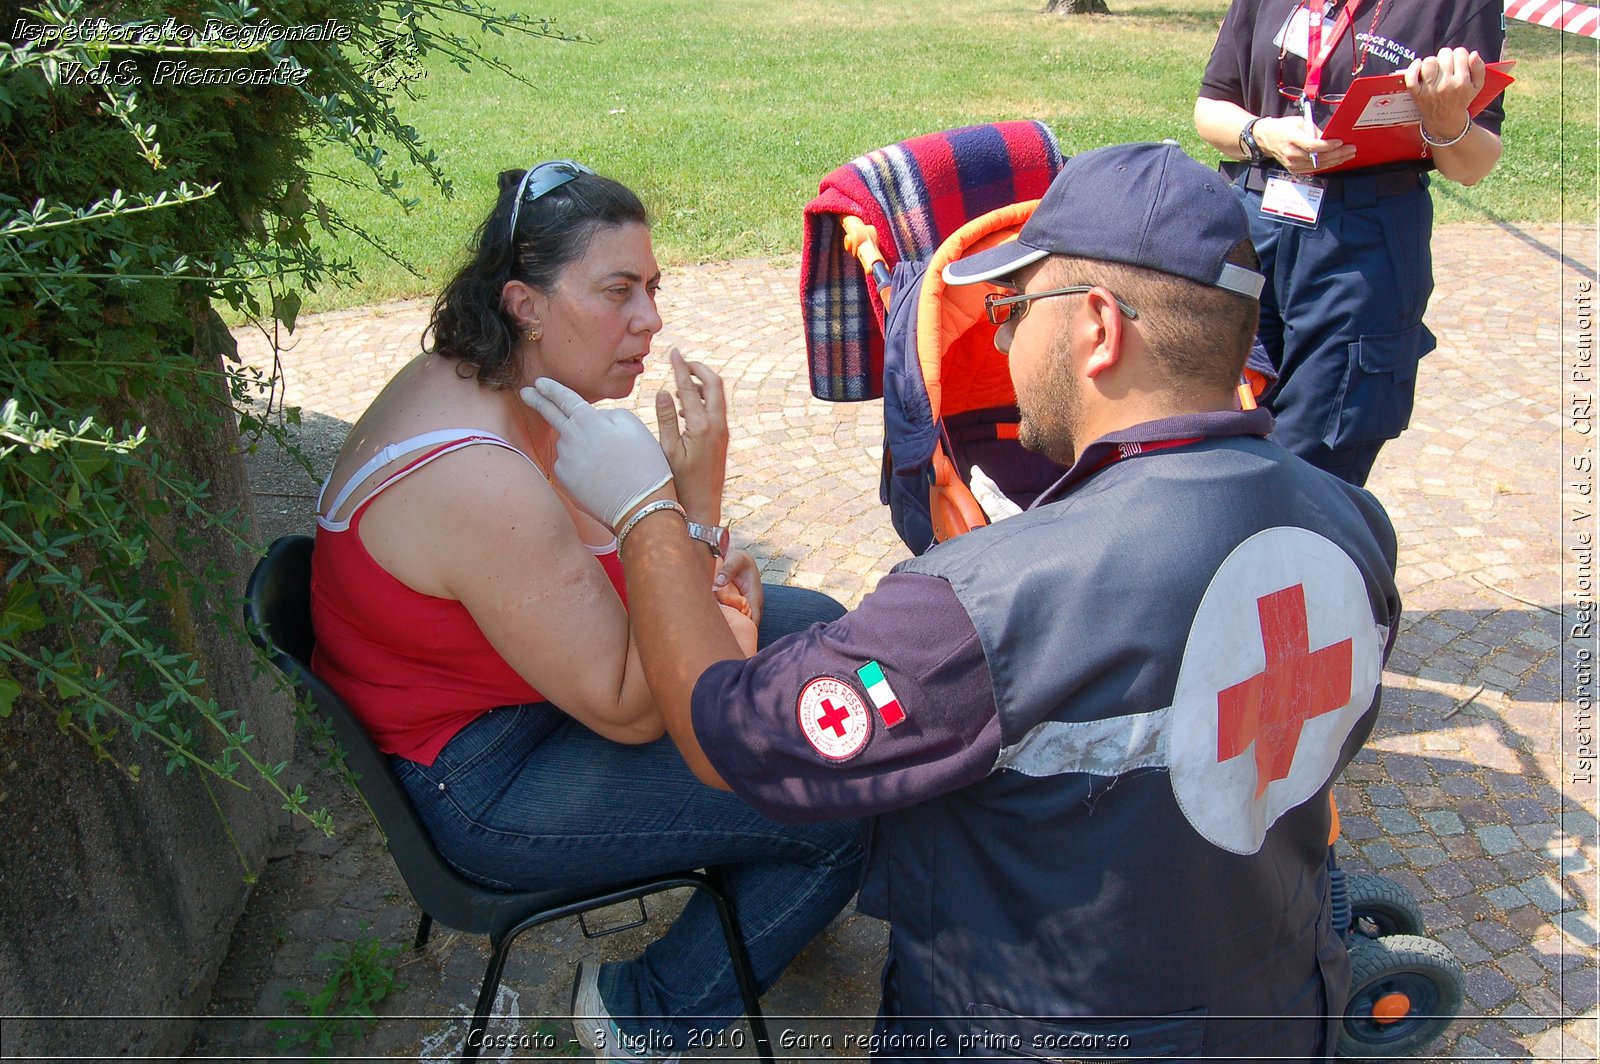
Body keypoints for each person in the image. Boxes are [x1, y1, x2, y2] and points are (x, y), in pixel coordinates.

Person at [525, 142, 1402, 1060]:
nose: (997, 337)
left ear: (1097, 327)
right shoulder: (1351, 523)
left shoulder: (978, 604)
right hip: (1282, 1012)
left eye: (1014, 308)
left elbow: (724, 737)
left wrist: (647, 514)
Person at [308, 160, 864, 1061]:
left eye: (652, 287)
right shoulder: (477, 478)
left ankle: (770, 884)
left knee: (824, 625)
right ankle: (643, 1011)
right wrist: (695, 506)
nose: (650, 320)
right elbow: (643, 709)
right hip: (484, 778)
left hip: (519, 690)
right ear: (525, 303)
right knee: (842, 802)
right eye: (618, 291)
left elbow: (620, 595)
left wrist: (702, 573)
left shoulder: (503, 381)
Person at [1194, 0, 1506, 485]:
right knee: (1216, 420)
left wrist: (1448, 123)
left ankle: (1302, 550)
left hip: (1362, 242)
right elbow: (1211, 109)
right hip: (1252, 225)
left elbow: (1473, 165)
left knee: (1318, 451)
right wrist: (1262, 133)